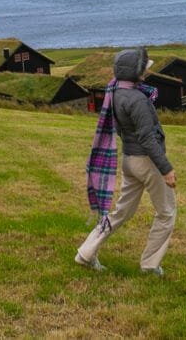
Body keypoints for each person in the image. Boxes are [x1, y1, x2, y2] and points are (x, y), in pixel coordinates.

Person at [76, 47, 177, 276]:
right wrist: (166, 169)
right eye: (143, 69)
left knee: (121, 212)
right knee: (167, 212)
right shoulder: (138, 99)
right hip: (146, 162)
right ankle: (150, 265)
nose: (146, 72)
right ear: (136, 74)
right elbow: (147, 138)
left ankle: (85, 253)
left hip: (130, 160)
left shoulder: (115, 93)